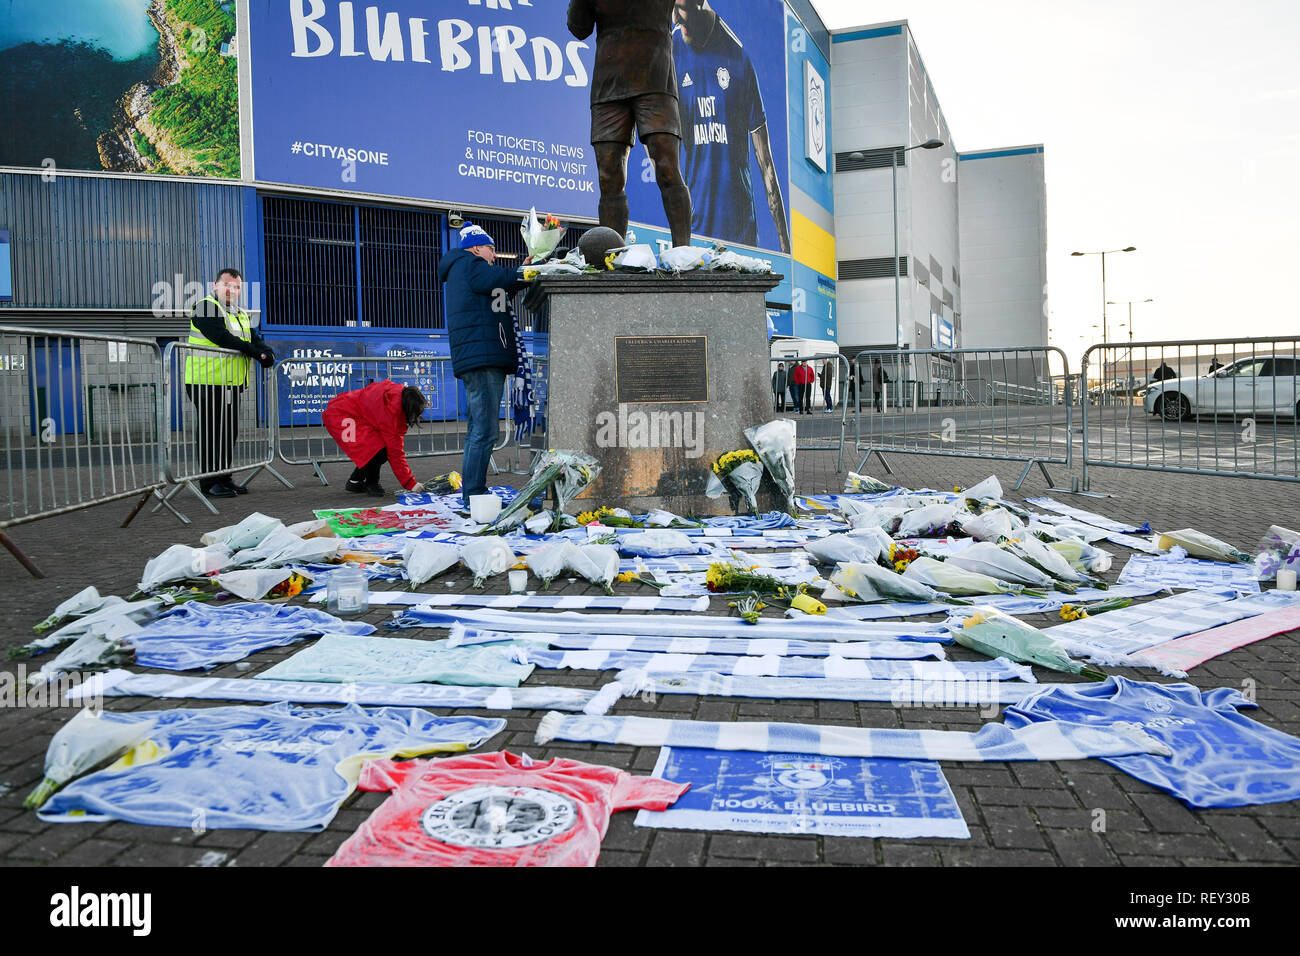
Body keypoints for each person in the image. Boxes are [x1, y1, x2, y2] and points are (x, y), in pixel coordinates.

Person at [568, 0, 692, 247]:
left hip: (656, 81)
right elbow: (579, 27)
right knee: (609, 176)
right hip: (609, 86)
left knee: (667, 167)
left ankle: (683, 252)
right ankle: (611, 256)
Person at [671, 0, 790, 252]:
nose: (673, 19)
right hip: (695, 230)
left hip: (740, 232)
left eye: (679, 8)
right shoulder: (671, 51)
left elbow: (766, 163)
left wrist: (785, 248)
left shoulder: (738, 59)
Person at [437, 223, 530, 507]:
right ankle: (474, 494)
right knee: (485, 430)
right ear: (477, 247)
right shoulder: (471, 264)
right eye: (491, 249)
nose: (494, 255)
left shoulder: (465, 270)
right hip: (483, 357)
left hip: (479, 356)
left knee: (479, 428)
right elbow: (499, 278)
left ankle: (473, 492)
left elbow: (499, 292)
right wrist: (528, 270)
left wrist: (521, 273)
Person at [183, 268, 274, 500]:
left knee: (227, 432)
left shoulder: (240, 313)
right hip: (206, 383)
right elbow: (222, 338)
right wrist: (256, 354)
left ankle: (224, 477)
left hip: (230, 384)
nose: (232, 290)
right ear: (215, 285)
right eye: (227, 285)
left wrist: (266, 353)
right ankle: (209, 482)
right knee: (212, 432)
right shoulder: (205, 307)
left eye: (237, 287)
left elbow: (253, 338)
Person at [323, 382, 428, 496]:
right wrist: (410, 483)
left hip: (344, 407)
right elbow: (396, 454)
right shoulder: (391, 416)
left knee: (378, 449)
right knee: (377, 450)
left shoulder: (394, 393)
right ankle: (367, 482)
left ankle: (358, 481)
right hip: (341, 415)